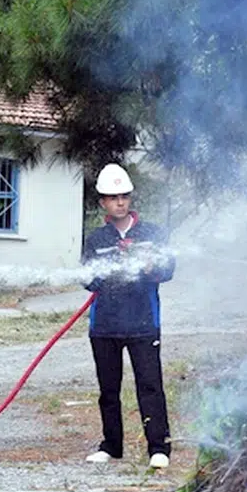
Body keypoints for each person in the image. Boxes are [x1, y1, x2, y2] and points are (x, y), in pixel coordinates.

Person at [81, 163, 176, 469]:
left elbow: (168, 270)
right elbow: (87, 279)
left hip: (143, 324)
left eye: (124, 196)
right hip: (104, 326)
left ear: (131, 198)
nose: (120, 202)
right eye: (113, 197)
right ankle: (111, 445)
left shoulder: (152, 234)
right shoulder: (96, 240)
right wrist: (108, 270)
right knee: (108, 389)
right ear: (103, 203)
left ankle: (158, 448)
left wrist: (149, 267)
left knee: (150, 386)